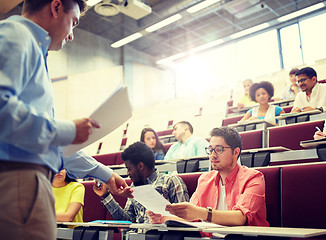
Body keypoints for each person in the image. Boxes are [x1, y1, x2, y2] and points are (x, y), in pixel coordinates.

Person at [0, 1, 131, 239]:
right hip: (17, 181)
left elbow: (45, 141)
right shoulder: (17, 35)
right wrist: (66, 129)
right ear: (56, 7)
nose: (71, 35)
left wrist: (107, 175)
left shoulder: (32, 49)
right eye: (74, 22)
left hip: (26, 180)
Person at [147, 127, 269, 230]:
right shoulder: (204, 179)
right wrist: (163, 217)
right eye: (210, 150)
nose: (213, 155)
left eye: (219, 149)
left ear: (236, 152)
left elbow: (240, 218)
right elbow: (192, 216)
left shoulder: (254, 178)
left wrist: (201, 213)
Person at [93, 142, 190, 223]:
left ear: (140, 166)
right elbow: (127, 221)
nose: (127, 173)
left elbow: (186, 219)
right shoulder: (133, 187)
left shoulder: (171, 181)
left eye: (129, 169)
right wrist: (106, 196)